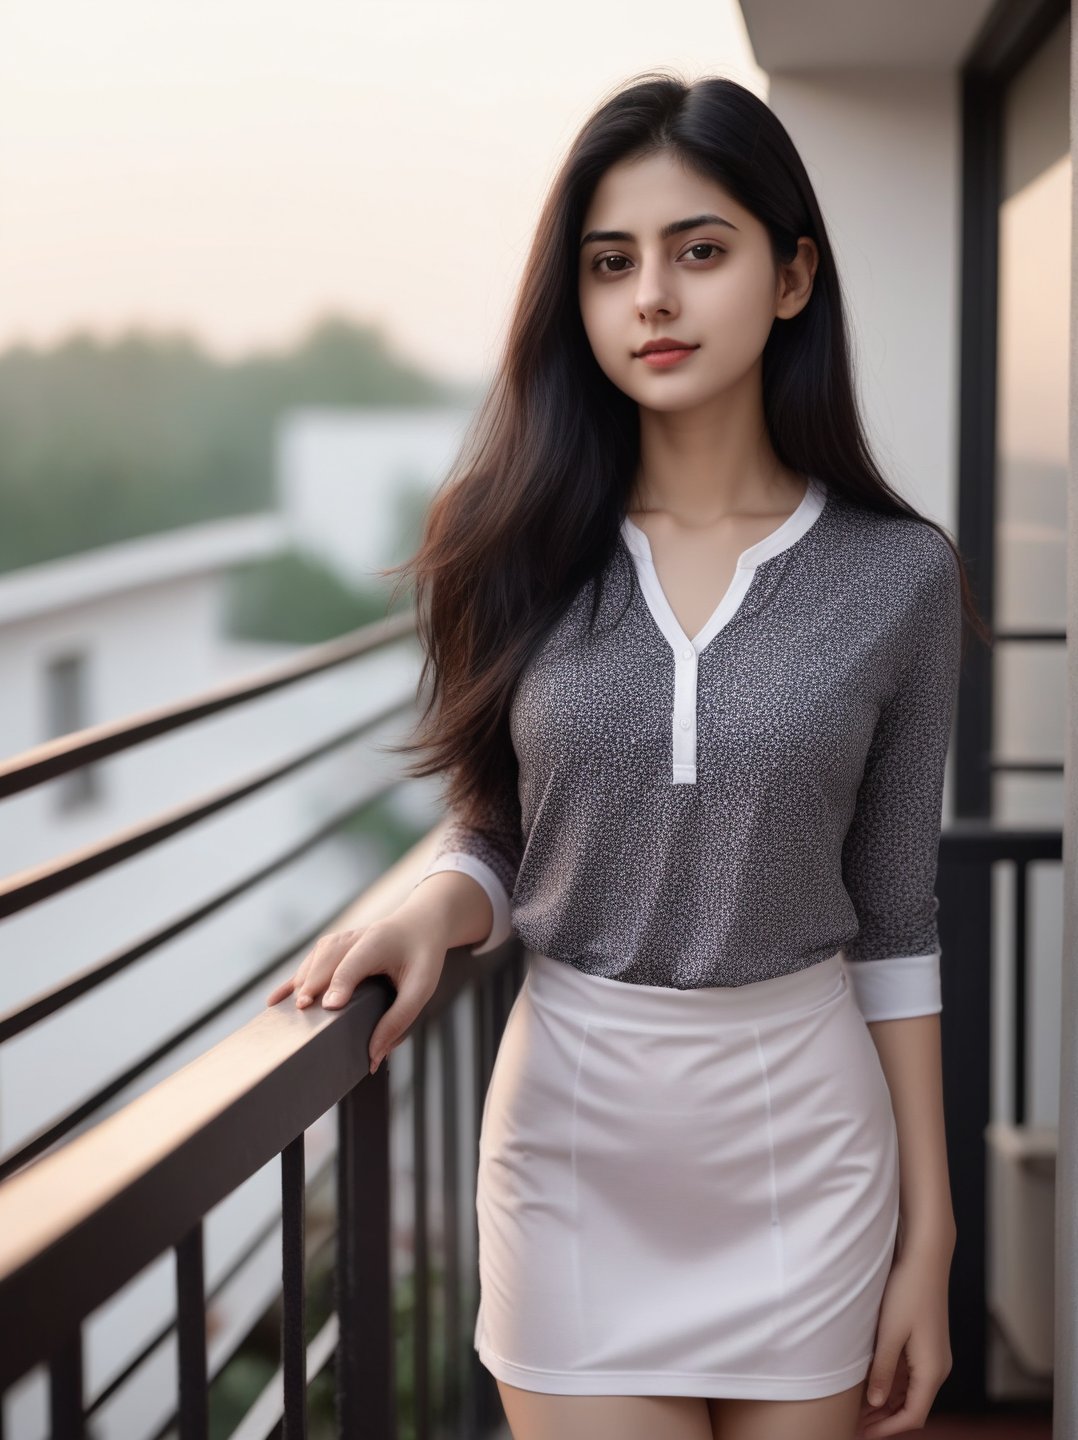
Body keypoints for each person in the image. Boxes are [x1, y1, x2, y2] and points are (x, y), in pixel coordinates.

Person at [267, 69, 990, 1440]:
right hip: (576, 1145)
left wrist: (931, 1241)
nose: (651, 298)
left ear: (791, 277)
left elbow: (897, 915)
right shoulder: (511, 540)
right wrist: (432, 900)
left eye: (697, 251)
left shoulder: (897, 579)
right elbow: (497, 827)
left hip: (805, 1145)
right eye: (611, 265)